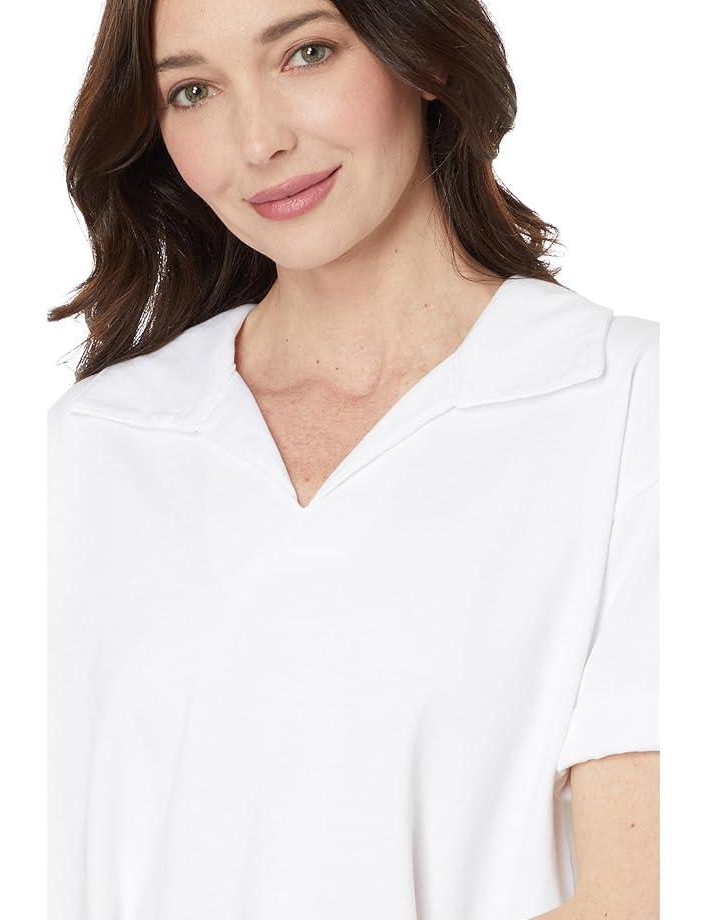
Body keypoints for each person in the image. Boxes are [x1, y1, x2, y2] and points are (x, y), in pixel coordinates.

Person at [47, 1, 660, 918]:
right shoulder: (95, 445)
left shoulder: (629, 401)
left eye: (307, 52)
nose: (259, 141)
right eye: (194, 91)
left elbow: (643, 894)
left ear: (425, 58)